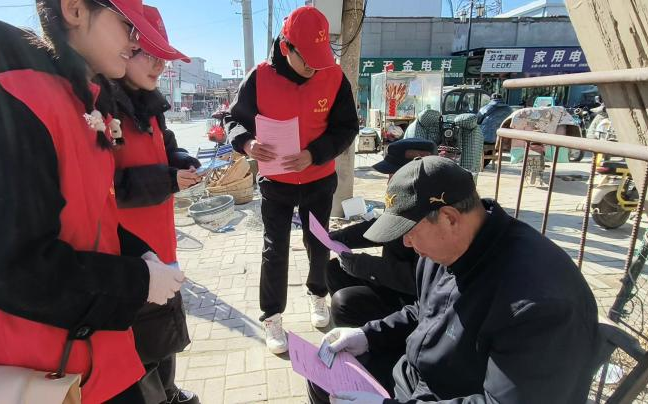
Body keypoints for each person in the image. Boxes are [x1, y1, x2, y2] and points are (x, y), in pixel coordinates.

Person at [0, 1, 186, 402]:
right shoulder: (11, 106)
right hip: (38, 372)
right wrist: (137, 280)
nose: (135, 41)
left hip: (93, 358)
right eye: (127, 25)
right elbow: (2, 264)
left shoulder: (79, 101)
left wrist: (140, 255)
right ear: (74, 10)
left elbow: (88, 216)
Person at [308, 156, 600, 404]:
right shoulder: (446, 249)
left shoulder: (538, 304)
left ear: (449, 217)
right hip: (419, 377)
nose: (406, 243)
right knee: (323, 376)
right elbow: (426, 310)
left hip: (454, 394)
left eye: (409, 231)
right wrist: (368, 335)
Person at [225, 6, 358, 354]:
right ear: (286, 47)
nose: (314, 67)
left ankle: (318, 293)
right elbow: (233, 120)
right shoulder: (259, 77)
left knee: (318, 242)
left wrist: (315, 153)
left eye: (319, 57)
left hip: (318, 178)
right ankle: (272, 316)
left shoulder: (333, 76)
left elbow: (347, 127)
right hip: (277, 183)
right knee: (275, 248)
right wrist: (247, 143)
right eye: (307, 59)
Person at [107, 6, 200, 404]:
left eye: (164, 57)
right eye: (151, 54)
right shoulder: (101, 110)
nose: (160, 65)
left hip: (162, 244)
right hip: (129, 250)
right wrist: (167, 179)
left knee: (165, 332)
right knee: (141, 345)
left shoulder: (150, 105)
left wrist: (183, 163)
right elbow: (108, 185)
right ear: (124, 47)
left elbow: (167, 148)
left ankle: (170, 391)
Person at [326, 138, 435, 328]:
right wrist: (341, 238)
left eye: (393, 174)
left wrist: (365, 265)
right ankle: (361, 332)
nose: (389, 181)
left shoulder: (434, 215)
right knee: (334, 269)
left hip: (413, 300)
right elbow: (381, 227)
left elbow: (417, 278)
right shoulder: (406, 197)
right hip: (389, 281)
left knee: (344, 302)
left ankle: (373, 339)